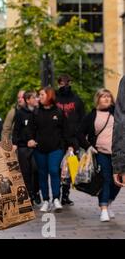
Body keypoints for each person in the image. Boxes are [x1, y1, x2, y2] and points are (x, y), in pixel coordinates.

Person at [77, 88, 120, 222]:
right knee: (106, 179)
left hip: (118, 154)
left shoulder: (117, 114)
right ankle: (104, 208)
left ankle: (109, 201)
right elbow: (79, 133)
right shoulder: (92, 115)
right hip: (100, 153)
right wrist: (89, 146)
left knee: (118, 182)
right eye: (103, 96)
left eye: (108, 96)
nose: (106, 99)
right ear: (98, 99)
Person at [27, 87, 67, 213]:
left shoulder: (59, 112)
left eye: (42, 94)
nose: (39, 97)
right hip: (40, 149)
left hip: (56, 148)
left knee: (54, 171)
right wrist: (30, 139)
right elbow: (30, 130)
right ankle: (46, 200)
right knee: (42, 174)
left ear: (49, 95)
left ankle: (56, 198)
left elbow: (66, 131)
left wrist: (69, 146)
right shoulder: (36, 112)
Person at [56, 74, 85, 206]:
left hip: (73, 139)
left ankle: (65, 195)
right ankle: (56, 194)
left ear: (71, 83)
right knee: (56, 168)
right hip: (57, 139)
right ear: (58, 84)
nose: (65, 86)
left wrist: (78, 137)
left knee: (68, 168)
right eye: (62, 84)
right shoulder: (54, 99)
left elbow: (82, 119)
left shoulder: (77, 100)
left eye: (67, 83)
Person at [12, 90, 41, 205]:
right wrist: (15, 143)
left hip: (36, 147)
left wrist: (36, 141)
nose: (36, 99)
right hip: (23, 146)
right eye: (33, 98)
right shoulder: (20, 113)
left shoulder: (39, 112)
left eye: (36, 97)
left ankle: (36, 192)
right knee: (25, 171)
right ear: (28, 100)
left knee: (36, 169)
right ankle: (29, 195)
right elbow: (16, 130)